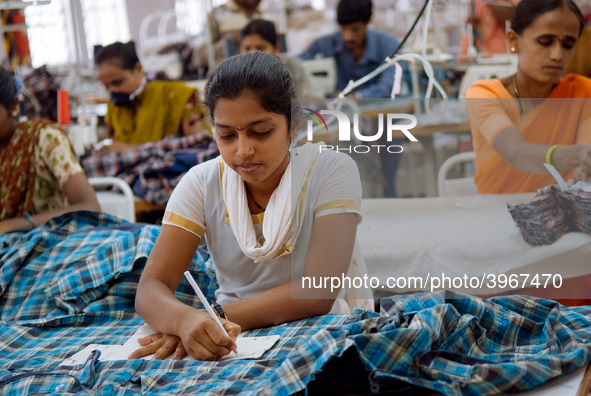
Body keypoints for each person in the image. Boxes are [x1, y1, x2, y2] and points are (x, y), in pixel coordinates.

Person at [131, 51, 373, 361]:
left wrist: (212, 317)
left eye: (261, 132)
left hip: (317, 332)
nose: (243, 150)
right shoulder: (201, 183)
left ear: (295, 122)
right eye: (227, 135)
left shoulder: (331, 171)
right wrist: (185, 321)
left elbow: (316, 292)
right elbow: (151, 286)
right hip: (230, 342)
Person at [466, 0, 591, 194]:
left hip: (561, 214)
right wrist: (580, 154)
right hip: (495, 213)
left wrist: (585, 167)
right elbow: (517, 153)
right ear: (514, 40)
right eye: (545, 42)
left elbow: (584, 169)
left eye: (567, 45)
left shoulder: (584, 92)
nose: (558, 55)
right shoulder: (484, 94)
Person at [0, 67, 100, 234]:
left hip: (55, 240)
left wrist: (13, 225)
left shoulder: (45, 139)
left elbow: (90, 207)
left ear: (14, 106)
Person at [95, 42, 210, 153]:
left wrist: (130, 149)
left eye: (118, 82)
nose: (112, 91)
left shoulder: (178, 96)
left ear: (138, 69)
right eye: (106, 86)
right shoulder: (113, 108)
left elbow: (199, 146)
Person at [298, 0, 400, 99]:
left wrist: (359, 96)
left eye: (355, 29)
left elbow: (390, 84)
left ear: (368, 21)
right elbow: (293, 66)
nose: (348, 37)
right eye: (343, 28)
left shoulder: (388, 45)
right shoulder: (323, 45)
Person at [240, 19, 322, 98]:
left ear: (277, 48)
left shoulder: (292, 68)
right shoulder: (236, 75)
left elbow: (314, 99)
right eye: (247, 48)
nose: (252, 54)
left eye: (260, 48)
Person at [193, 0, 267, 69]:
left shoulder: (266, 13)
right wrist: (231, 42)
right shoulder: (216, 14)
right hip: (230, 78)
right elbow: (199, 57)